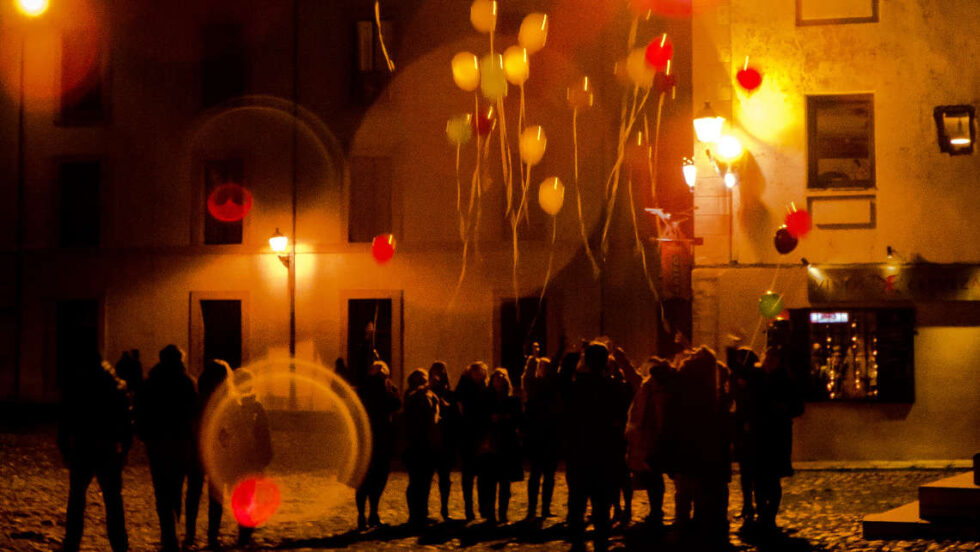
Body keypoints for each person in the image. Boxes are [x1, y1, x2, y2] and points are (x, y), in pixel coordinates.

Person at [57, 351, 132, 552]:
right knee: (113, 500)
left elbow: (66, 420)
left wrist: (64, 447)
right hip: (107, 448)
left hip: (83, 447)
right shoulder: (115, 386)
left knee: (76, 499)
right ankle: (119, 544)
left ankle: (72, 543)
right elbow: (125, 421)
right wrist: (125, 448)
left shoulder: (77, 387)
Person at [669, 347, 733, 548]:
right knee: (708, 497)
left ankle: (685, 532)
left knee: (687, 494)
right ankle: (709, 532)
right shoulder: (716, 397)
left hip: (691, 452)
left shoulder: (682, 391)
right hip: (710, 454)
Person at [135, 344, 197, 552]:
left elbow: (140, 410)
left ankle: (167, 533)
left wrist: (144, 434)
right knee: (176, 488)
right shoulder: (187, 383)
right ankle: (173, 532)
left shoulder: (151, 383)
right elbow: (194, 413)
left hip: (157, 441)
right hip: (180, 442)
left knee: (161, 490)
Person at [565, 342, 620, 552]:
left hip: (579, 451)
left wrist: (573, 353)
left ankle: (578, 543)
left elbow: (559, 379)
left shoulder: (576, 385)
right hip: (605, 452)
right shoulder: (613, 386)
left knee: (577, 503)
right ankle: (600, 543)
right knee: (602, 506)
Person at [213, 368, 273, 547]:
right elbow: (264, 434)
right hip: (247, 458)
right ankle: (245, 531)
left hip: (239, 458)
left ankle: (244, 531)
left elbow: (222, 432)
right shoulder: (255, 407)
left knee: (241, 495)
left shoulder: (232, 407)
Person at [752, 347, 803, 533]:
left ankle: (770, 516)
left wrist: (782, 409)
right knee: (759, 478)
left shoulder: (786, 381)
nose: (769, 361)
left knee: (772, 479)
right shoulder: (759, 379)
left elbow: (797, 407)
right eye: (767, 358)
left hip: (777, 435)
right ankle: (762, 514)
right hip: (760, 434)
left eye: (772, 358)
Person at [185, 358, 232, 549]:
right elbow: (228, 427)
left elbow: (192, 423)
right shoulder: (226, 398)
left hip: (197, 450)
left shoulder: (198, 397)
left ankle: (190, 533)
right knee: (216, 495)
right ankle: (213, 535)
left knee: (194, 492)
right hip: (217, 453)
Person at [625, 357, 675, 531]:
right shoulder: (650, 387)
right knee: (651, 476)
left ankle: (656, 512)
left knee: (653, 476)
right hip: (647, 437)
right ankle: (655, 511)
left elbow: (659, 416)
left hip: (651, 438)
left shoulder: (656, 390)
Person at [355, 360, 402, 529]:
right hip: (367, 438)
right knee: (364, 480)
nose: (380, 371)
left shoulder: (390, 388)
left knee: (379, 479)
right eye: (377, 369)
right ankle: (361, 515)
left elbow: (396, 404)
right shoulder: (366, 387)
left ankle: (373, 513)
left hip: (383, 438)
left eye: (382, 369)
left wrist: (387, 386)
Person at [477, 368, 523, 524]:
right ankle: (490, 513)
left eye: (502, 377)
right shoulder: (485, 399)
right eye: (497, 377)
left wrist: (505, 418)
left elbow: (519, 419)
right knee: (489, 482)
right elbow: (480, 419)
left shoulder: (513, 400)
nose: (500, 380)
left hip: (507, 443)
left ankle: (503, 513)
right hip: (491, 444)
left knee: (505, 483)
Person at [522, 356, 562, 520]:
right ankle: (532, 509)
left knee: (548, 476)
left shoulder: (553, 388)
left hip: (550, 436)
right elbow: (528, 377)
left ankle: (544, 508)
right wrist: (532, 358)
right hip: (538, 436)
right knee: (536, 475)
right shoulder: (534, 386)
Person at [728, 346, 761, 533]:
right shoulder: (738, 380)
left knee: (752, 472)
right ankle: (747, 505)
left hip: (752, 431)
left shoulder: (754, 379)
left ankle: (755, 506)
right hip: (741, 430)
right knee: (745, 473)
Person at [403, 368, 439, 529]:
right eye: (422, 379)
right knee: (415, 481)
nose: (425, 381)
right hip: (415, 444)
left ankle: (422, 514)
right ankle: (414, 515)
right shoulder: (411, 396)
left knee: (425, 482)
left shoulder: (430, 395)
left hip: (428, 443)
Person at [455, 361, 489, 521]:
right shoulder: (464, 386)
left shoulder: (484, 387)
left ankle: (483, 507)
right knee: (468, 475)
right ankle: (469, 508)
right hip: (468, 434)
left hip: (481, 433)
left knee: (483, 474)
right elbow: (461, 408)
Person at [428, 361, 457, 521]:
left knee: (445, 478)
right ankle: (422, 511)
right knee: (425, 478)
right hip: (431, 439)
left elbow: (453, 414)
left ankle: (444, 508)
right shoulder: (427, 391)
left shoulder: (448, 393)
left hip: (445, 438)